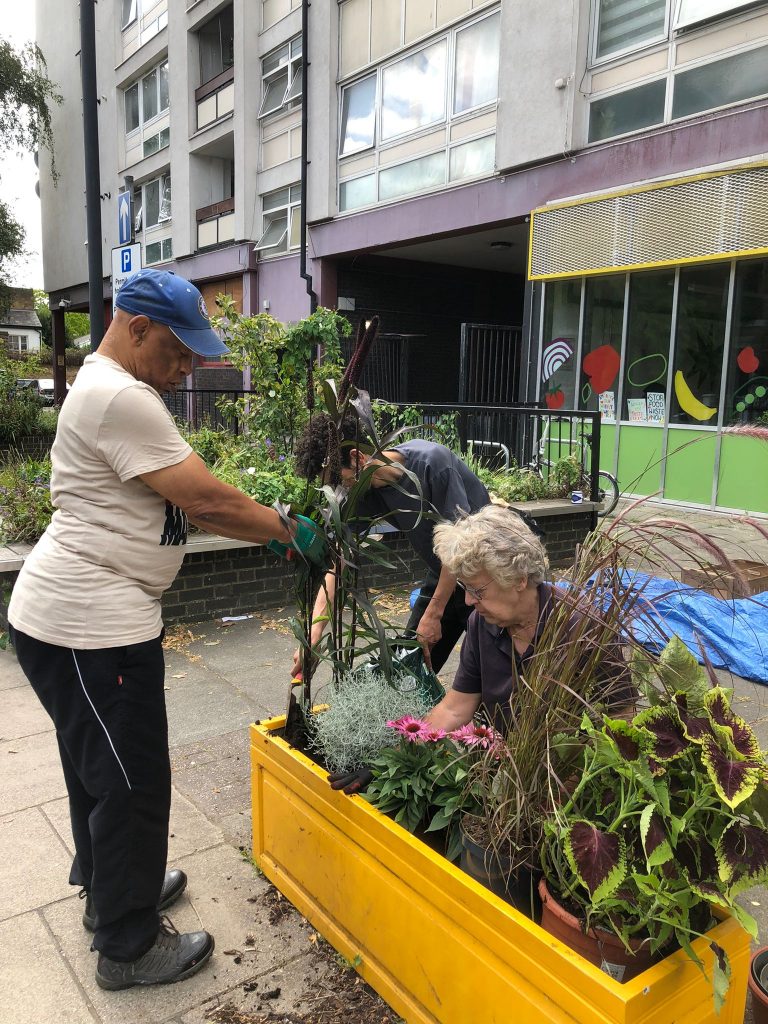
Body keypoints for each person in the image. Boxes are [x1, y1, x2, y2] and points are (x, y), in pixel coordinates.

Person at [7, 269, 324, 991]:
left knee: (101, 769)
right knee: (133, 782)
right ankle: (127, 943)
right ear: (137, 327)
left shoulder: (115, 388)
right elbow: (205, 499)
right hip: (88, 626)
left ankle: (113, 886)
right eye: (180, 353)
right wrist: (290, 532)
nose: (188, 370)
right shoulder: (119, 394)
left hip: (87, 620)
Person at [292, 413, 492, 678]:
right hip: (444, 575)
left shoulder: (433, 464)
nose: (339, 491)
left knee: (493, 673)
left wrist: (434, 612)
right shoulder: (361, 492)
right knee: (407, 668)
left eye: (339, 481)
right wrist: (315, 631)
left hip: (489, 577)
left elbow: (458, 548)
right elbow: (340, 558)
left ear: (357, 458)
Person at [424, 504, 634, 733]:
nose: (467, 601)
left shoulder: (584, 626)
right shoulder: (480, 623)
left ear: (518, 579)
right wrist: (411, 742)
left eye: (477, 590)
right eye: (464, 587)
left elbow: (623, 716)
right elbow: (456, 708)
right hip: (499, 760)